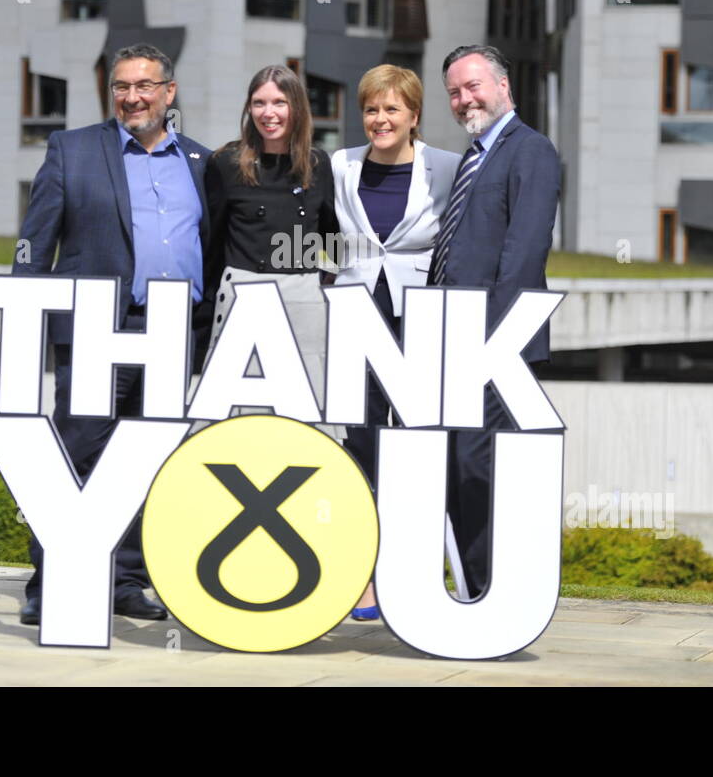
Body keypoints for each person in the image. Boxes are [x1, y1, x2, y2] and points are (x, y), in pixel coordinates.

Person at [11, 43, 210, 625]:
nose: (132, 97)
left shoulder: (201, 162)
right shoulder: (72, 150)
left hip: (173, 333)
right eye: (122, 87)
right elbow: (34, 243)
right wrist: (29, 317)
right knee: (75, 457)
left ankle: (125, 580)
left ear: (168, 93)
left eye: (145, 86)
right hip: (97, 328)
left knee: (145, 464)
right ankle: (50, 584)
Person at [432, 44, 560, 601]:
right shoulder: (474, 156)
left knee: (477, 466)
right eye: (455, 92)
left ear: (504, 87)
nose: (464, 100)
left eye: (473, 86)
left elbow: (524, 254)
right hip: (454, 339)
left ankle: (491, 591)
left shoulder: (530, 151)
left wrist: (494, 344)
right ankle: (470, 586)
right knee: (455, 466)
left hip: (495, 345)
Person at [331, 64, 458, 619]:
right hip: (357, 315)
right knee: (359, 443)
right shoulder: (340, 166)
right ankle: (362, 578)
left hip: (419, 319)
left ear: (413, 115)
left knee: (416, 446)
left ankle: (416, 574)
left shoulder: (448, 168)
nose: (380, 119)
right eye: (371, 109)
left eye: (392, 109)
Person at [203, 65, 337, 416]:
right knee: (237, 410)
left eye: (279, 102)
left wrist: (321, 281)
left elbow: (331, 239)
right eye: (259, 103)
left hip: (303, 298)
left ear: (297, 107)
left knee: (306, 408)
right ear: (249, 108)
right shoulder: (225, 163)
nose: (268, 113)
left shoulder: (319, 164)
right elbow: (212, 245)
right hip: (242, 294)